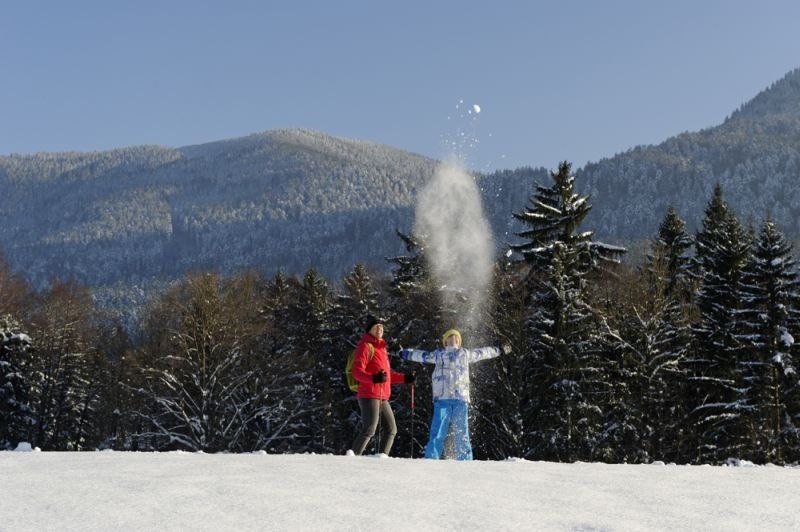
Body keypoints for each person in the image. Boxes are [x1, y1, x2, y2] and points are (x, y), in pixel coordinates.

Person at [400, 329, 510, 460]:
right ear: (445, 342)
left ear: (459, 342)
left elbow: (482, 353)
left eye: (456, 339)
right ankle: (431, 457)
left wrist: (499, 350)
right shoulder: (438, 354)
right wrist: (403, 353)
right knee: (438, 429)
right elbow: (421, 355)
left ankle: (465, 459)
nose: (453, 341)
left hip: (460, 398)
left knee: (462, 431)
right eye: (450, 338)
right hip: (442, 398)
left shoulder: (465, 354)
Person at [349, 315, 415, 456]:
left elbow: (387, 376)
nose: (379, 328)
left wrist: (405, 378)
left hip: (382, 396)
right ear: (369, 330)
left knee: (391, 429)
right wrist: (374, 378)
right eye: (375, 326)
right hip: (369, 394)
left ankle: (382, 458)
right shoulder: (365, 346)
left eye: (381, 326)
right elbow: (357, 372)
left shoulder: (382, 348)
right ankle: (352, 458)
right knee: (369, 429)